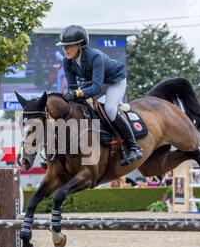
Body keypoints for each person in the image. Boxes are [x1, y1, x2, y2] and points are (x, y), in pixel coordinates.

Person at [56, 25, 142, 166]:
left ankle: (134, 147)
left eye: (69, 46)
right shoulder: (67, 61)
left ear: (80, 44)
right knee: (76, 107)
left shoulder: (94, 56)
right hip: (96, 83)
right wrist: (72, 95)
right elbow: (72, 86)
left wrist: (77, 93)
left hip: (114, 81)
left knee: (110, 109)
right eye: (64, 46)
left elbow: (96, 88)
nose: (65, 49)